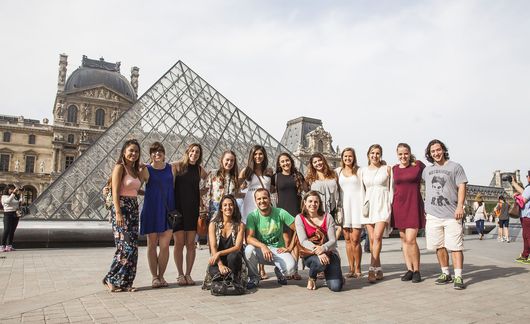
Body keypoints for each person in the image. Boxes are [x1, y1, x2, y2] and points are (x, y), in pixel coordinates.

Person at [422, 139, 468, 290]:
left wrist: (460, 206)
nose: (436, 153)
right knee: (439, 246)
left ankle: (459, 276)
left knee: (456, 247)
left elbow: (462, 186)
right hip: (433, 215)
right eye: (433, 151)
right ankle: (445, 273)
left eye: (438, 150)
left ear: (443, 150)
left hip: (452, 214)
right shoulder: (426, 171)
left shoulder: (456, 167)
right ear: (429, 154)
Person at [103, 139, 145, 292]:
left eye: (136, 151)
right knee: (124, 247)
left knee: (133, 247)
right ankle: (110, 278)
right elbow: (115, 190)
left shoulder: (134, 170)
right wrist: (118, 212)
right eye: (131, 151)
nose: (133, 154)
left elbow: (134, 189)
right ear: (124, 152)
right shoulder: (119, 167)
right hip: (121, 208)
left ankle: (126, 283)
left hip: (133, 208)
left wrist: (150, 193)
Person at [244, 188, 297, 289]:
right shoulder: (252, 216)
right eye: (259, 199)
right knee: (248, 249)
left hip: (278, 250)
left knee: (291, 269)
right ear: (255, 201)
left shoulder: (280, 212)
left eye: (264, 198)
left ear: (270, 199)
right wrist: (263, 246)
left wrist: (290, 248)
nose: (262, 201)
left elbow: (298, 229)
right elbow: (249, 238)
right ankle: (254, 277)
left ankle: (279, 271)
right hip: (261, 251)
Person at [173, 143, 208, 286]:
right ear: (187, 151)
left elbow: (209, 181)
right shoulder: (177, 166)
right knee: (179, 244)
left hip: (192, 209)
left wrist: (201, 192)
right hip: (178, 209)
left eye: (197, 152)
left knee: (191, 245)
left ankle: (188, 274)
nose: (194, 153)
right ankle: (180, 274)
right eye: (192, 151)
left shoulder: (199, 170)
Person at [140, 142, 174, 288]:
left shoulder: (171, 168)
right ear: (150, 155)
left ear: (164, 153)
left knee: (165, 246)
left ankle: (162, 276)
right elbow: (136, 186)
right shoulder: (146, 170)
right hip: (152, 210)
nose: (157, 154)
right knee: (152, 245)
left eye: (160, 151)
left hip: (168, 211)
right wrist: (148, 194)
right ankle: (155, 277)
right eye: (154, 152)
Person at [391, 143, 425, 283]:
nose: (403, 156)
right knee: (404, 240)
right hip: (399, 206)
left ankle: (417, 270)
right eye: (400, 154)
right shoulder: (394, 169)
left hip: (413, 205)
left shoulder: (418, 165)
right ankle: (409, 269)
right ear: (397, 155)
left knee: (411, 240)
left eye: (405, 153)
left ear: (409, 153)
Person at [296, 190, 343, 291]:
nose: (313, 204)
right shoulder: (299, 218)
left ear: (319, 204)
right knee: (319, 262)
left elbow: (333, 240)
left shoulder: (328, 217)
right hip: (310, 254)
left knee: (336, 287)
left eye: (316, 202)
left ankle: (334, 274)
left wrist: (323, 248)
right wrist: (319, 252)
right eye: (310, 201)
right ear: (304, 202)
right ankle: (312, 277)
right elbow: (303, 241)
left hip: (329, 252)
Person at [271, 152, 307, 280]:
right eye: (282, 161)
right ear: (279, 164)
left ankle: (295, 270)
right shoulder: (276, 177)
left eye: (287, 160)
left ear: (291, 161)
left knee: (296, 242)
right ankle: (288, 268)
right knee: (286, 241)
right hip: (282, 212)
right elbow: (267, 190)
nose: (285, 163)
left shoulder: (298, 175)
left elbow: (307, 190)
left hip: (296, 211)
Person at [239, 145, 273, 280]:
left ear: (264, 155)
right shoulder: (246, 171)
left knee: (263, 233)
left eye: (260, 154)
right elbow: (236, 188)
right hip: (250, 204)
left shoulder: (269, 171)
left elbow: (273, 189)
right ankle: (251, 268)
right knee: (251, 235)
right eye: (255, 154)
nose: (258, 156)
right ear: (251, 156)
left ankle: (262, 267)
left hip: (264, 203)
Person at [360, 144, 392, 283]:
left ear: (381, 155)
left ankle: (371, 269)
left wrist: (390, 205)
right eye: (372, 153)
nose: (375, 155)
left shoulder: (387, 169)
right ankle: (378, 269)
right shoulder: (362, 171)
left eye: (378, 153)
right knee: (372, 239)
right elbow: (361, 191)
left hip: (383, 206)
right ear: (368, 155)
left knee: (377, 237)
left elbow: (392, 188)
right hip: (368, 207)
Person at [204, 195, 246, 287]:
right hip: (219, 260)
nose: (228, 207)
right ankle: (225, 280)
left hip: (234, 260)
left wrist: (219, 253)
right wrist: (220, 265)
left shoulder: (240, 225)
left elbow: (237, 247)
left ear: (234, 207)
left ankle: (233, 279)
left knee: (233, 256)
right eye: (225, 205)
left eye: (231, 205)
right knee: (213, 268)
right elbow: (213, 247)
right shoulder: (213, 224)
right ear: (221, 209)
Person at [336, 147, 363, 278]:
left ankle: (358, 268)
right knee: (347, 240)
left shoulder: (360, 171)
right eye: (345, 156)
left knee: (355, 239)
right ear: (342, 158)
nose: (348, 158)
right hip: (344, 209)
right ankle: (351, 268)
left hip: (357, 208)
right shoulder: (338, 171)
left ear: (354, 157)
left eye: (350, 156)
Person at [306, 153, 339, 237]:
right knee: (319, 235)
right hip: (317, 209)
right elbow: (306, 193)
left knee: (332, 235)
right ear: (312, 165)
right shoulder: (309, 178)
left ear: (324, 161)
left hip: (332, 208)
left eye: (320, 160)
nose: (318, 163)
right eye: (315, 162)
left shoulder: (333, 174)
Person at [511, 171, 530, 264]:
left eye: (528, 176)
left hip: (527, 217)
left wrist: (517, 197)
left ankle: (526, 256)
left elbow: (523, 201)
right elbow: (523, 192)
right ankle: (525, 255)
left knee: (528, 237)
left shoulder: (529, 188)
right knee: (525, 236)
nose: (527, 177)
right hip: (525, 216)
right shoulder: (528, 188)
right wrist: (514, 183)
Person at [1, 185, 21, 252]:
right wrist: (13, 193)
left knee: (12, 231)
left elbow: (20, 203)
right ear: (7, 189)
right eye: (11, 189)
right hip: (8, 214)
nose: (12, 190)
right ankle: (2, 246)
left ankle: (9, 246)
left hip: (15, 214)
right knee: (6, 230)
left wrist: (22, 195)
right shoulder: (4, 196)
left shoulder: (14, 196)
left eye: (13, 189)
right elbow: (7, 201)